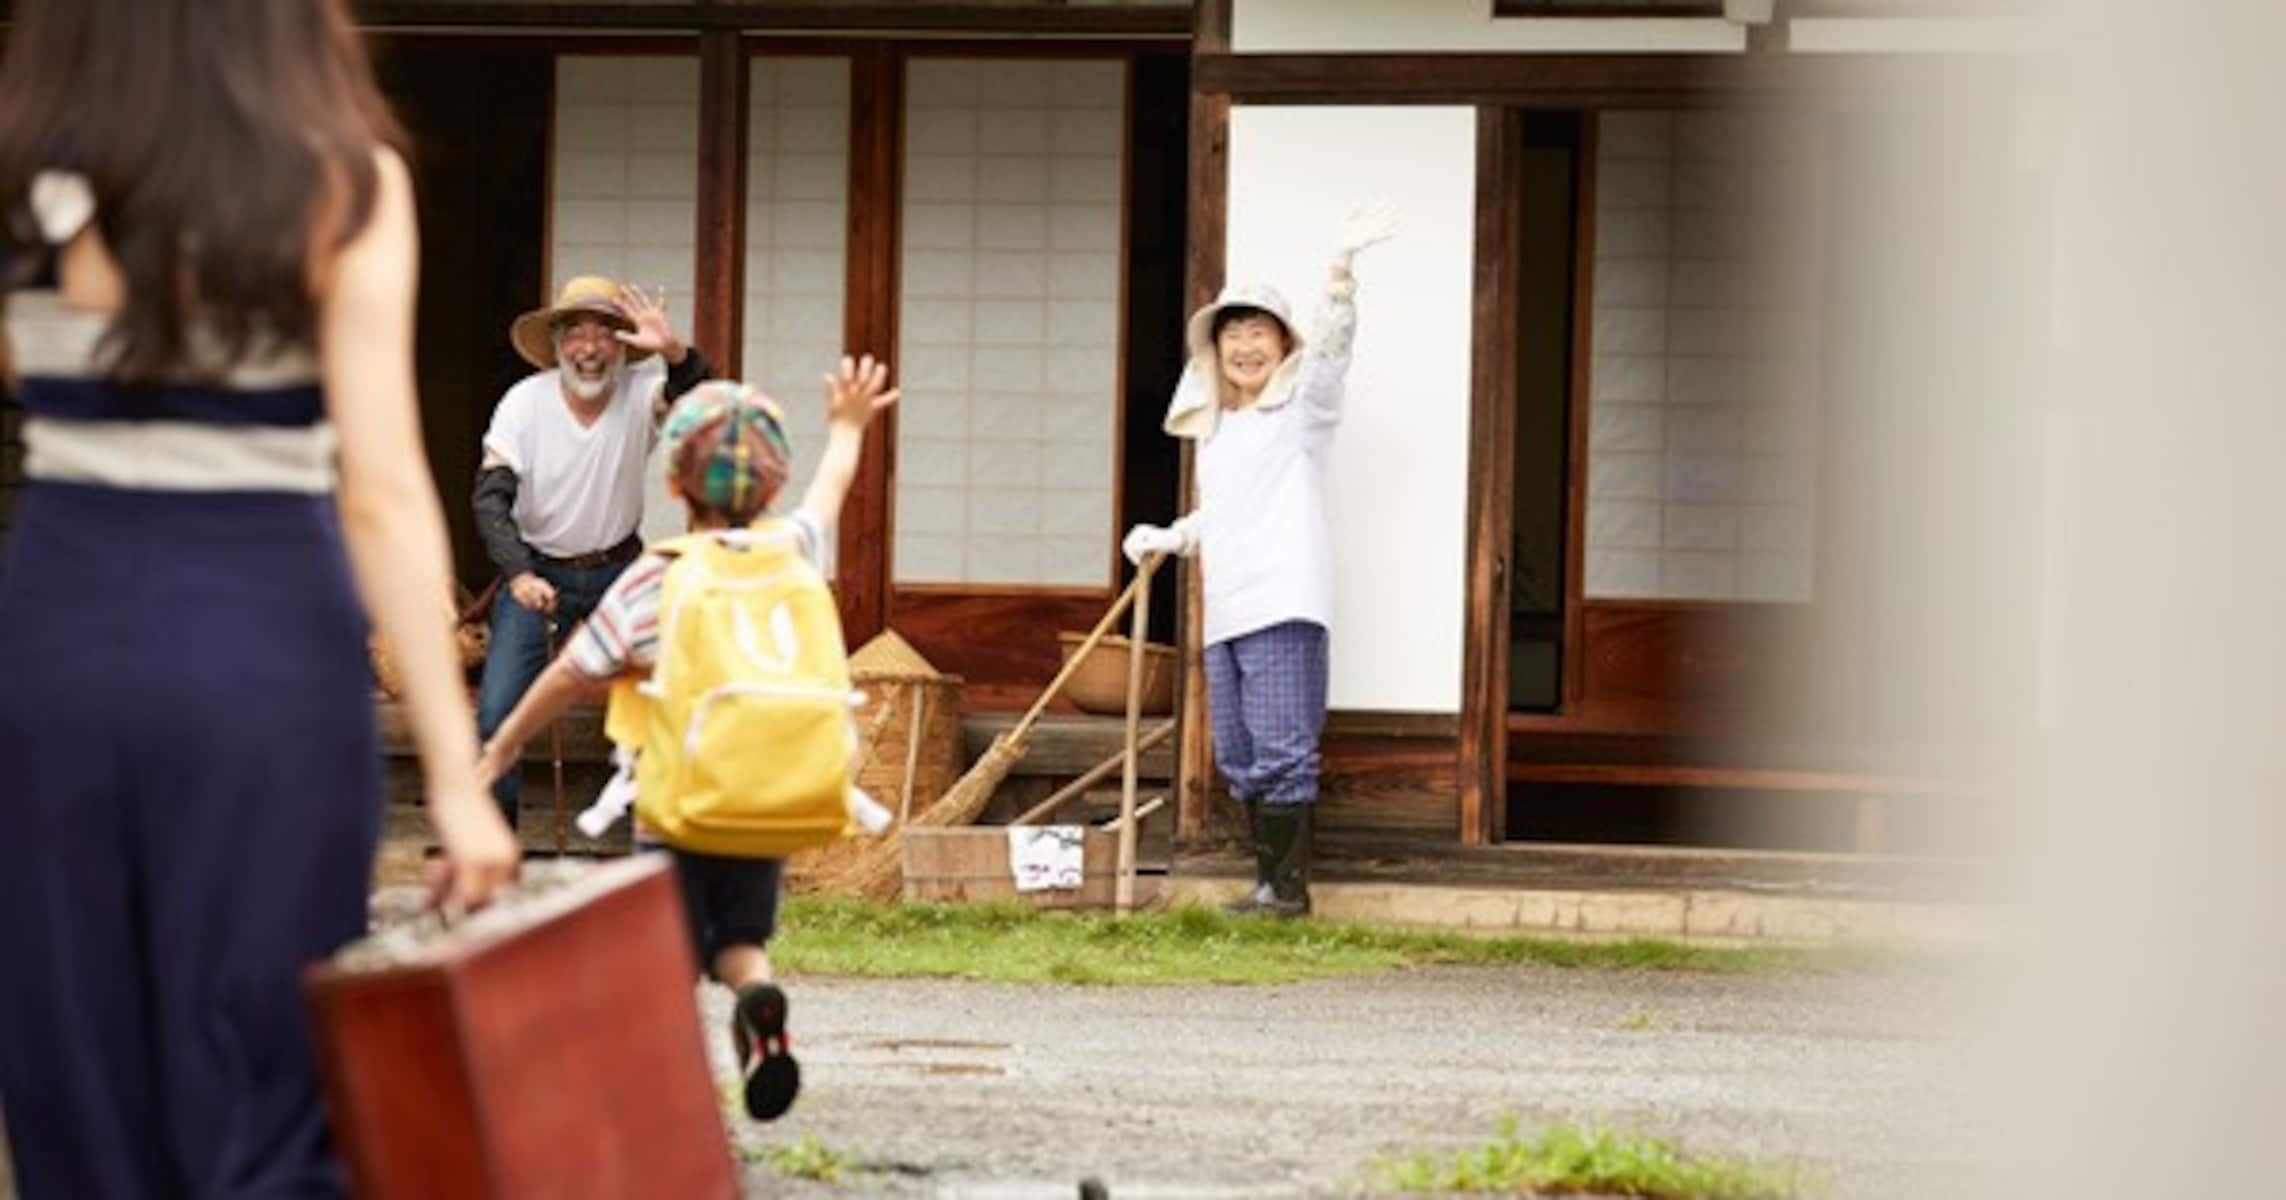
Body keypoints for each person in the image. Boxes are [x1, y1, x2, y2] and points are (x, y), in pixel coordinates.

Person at [0, 1, 520, 1195]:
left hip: (56, 644)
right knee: (265, 1077)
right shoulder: (342, 184)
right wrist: (457, 776)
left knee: (74, 1078)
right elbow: (382, 490)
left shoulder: (31, 177)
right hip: (261, 651)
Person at [474, 356, 899, 1121]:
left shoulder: (658, 576)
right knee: (738, 937)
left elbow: (571, 672)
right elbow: (831, 493)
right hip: (768, 797)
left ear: (673, 486)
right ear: (771, 488)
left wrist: (502, 746)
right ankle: (756, 998)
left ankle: (655, 1103)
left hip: (679, 804)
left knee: (663, 959)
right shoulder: (793, 549)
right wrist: (848, 426)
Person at [1123, 203, 1397, 919]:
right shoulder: (1220, 433)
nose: (1245, 346)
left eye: (1258, 332)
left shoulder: (1301, 413)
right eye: (1232, 334)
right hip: (1229, 606)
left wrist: (1339, 275)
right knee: (1240, 752)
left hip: (1284, 600)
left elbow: (1333, 352)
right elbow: (1223, 515)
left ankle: (1287, 892)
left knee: (1282, 747)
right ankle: (1268, 884)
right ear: (1214, 352)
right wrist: (1170, 535)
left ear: (1281, 345)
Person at [472, 275, 713, 830]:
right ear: (556, 344)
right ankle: (495, 839)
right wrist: (518, 574)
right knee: (496, 709)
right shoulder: (523, 404)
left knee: (666, 696)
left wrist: (675, 352)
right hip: (538, 572)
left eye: (604, 334)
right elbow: (490, 499)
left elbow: (705, 405)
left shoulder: (641, 392)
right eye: (575, 333)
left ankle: (655, 836)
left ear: (622, 347)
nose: (589, 349)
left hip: (621, 570)